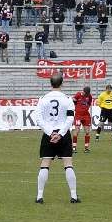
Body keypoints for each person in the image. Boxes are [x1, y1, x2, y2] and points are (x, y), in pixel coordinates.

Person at [35, 73, 80, 204]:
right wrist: (60, 134)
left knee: (45, 165)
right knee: (68, 164)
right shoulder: (67, 99)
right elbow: (70, 118)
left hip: (48, 134)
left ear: (50, 83)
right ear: (62, 83)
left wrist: (50, 133)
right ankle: (74, 196)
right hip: (63, 134)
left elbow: (38, 119)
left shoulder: (43, 98)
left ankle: (39, 197)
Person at [71, 86, 93, 153]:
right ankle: (74, 147)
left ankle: (86, 148)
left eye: (86, 93)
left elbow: (89, 104)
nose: (85, 94)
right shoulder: (78, 94)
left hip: (86, 116)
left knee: (87, 132)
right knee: (77, 130)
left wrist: (85, 108)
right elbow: (73, 100)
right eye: (85, 93)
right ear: (83, 91)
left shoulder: (89, 96)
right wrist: (77, 107)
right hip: (78, 115)